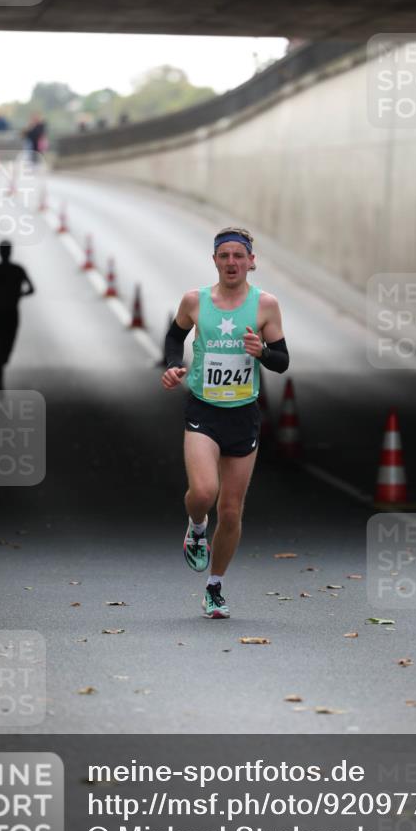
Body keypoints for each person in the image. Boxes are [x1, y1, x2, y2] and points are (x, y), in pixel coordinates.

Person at [161, 227, 289, 619]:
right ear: (214, 260)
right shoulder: (194, 301)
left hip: (243, 414)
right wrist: (173, 365)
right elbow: (174, 337)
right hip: (204, 409)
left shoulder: (265, 305)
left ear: (251, 261)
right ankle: (196, 525)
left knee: (231, 511)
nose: (232, 262)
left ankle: (214, 587)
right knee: (203, 492)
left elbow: (282, 361)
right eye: (224, 255)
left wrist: (262, 351)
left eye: (239, 256)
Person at [0, 243, 35, 391]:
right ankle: (0, 380)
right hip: (10, 313)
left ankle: (0, 374)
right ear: (10, 252)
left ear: (0, 252)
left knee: (0, 346)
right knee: (6, 345)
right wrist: (19, 295)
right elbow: (32, 289)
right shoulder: (17, 270)